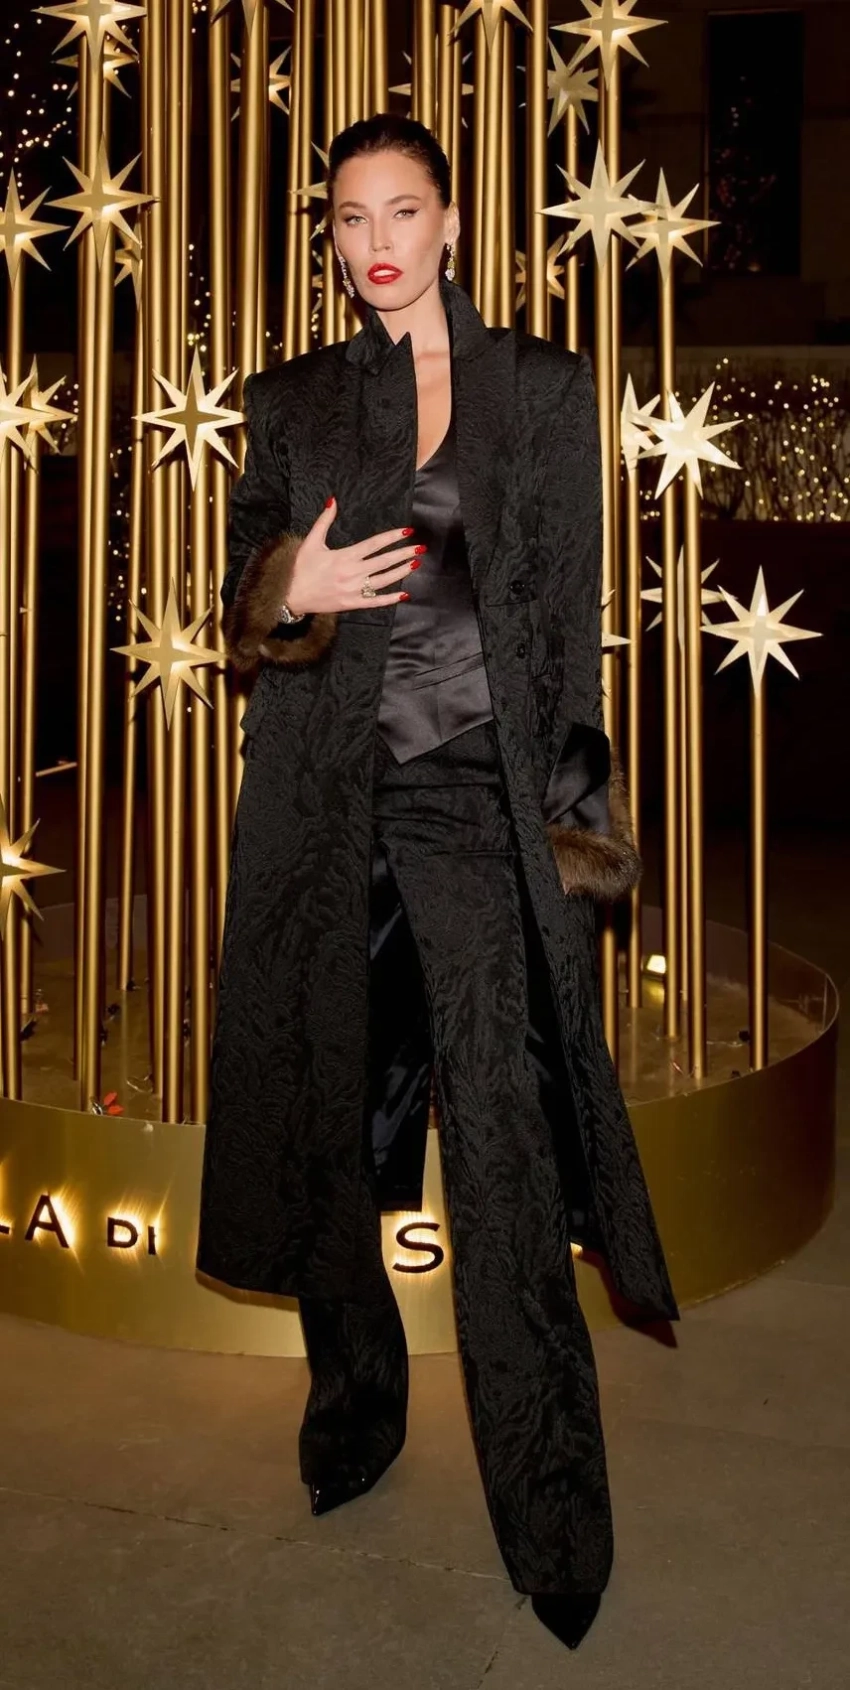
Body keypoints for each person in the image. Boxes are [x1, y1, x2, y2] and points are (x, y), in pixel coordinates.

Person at [196, 113, 679, 1652]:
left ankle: (556, 1513)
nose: (376, 242)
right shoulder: (292, 399)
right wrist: (290, 588)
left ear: (452, 221)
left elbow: (567, 627)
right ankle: (352, 1410)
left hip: (478, 806)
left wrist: (574, 832)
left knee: (508, 1156)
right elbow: (238, 596)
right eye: (349, 217)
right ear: (329, 235)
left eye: (401, 210)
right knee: (332, 1123)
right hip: (328, 810)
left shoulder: (539, 388)